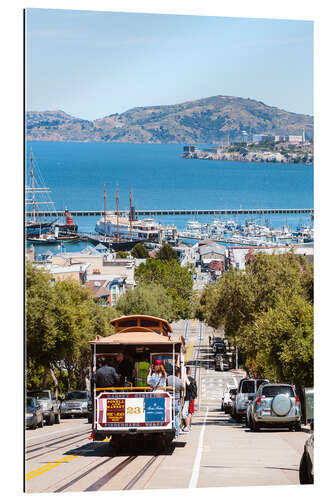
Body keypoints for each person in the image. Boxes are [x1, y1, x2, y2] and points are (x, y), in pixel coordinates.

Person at [166, 366, 185, 439]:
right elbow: (183, 388)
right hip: (176, 400)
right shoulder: (179, 380)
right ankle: (176, 433)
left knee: (169, 416)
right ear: (178, 373)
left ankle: (170, 430)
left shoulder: (168, 378)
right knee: (176, 417)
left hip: (168, 400)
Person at [182, 366, 197, 432]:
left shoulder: (186, 379)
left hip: (188, 398)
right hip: (192, 398)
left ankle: (187, 426)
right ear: (189, 371)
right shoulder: (193, 379)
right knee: (190, 412)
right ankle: (189, 425)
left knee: (185, 412)